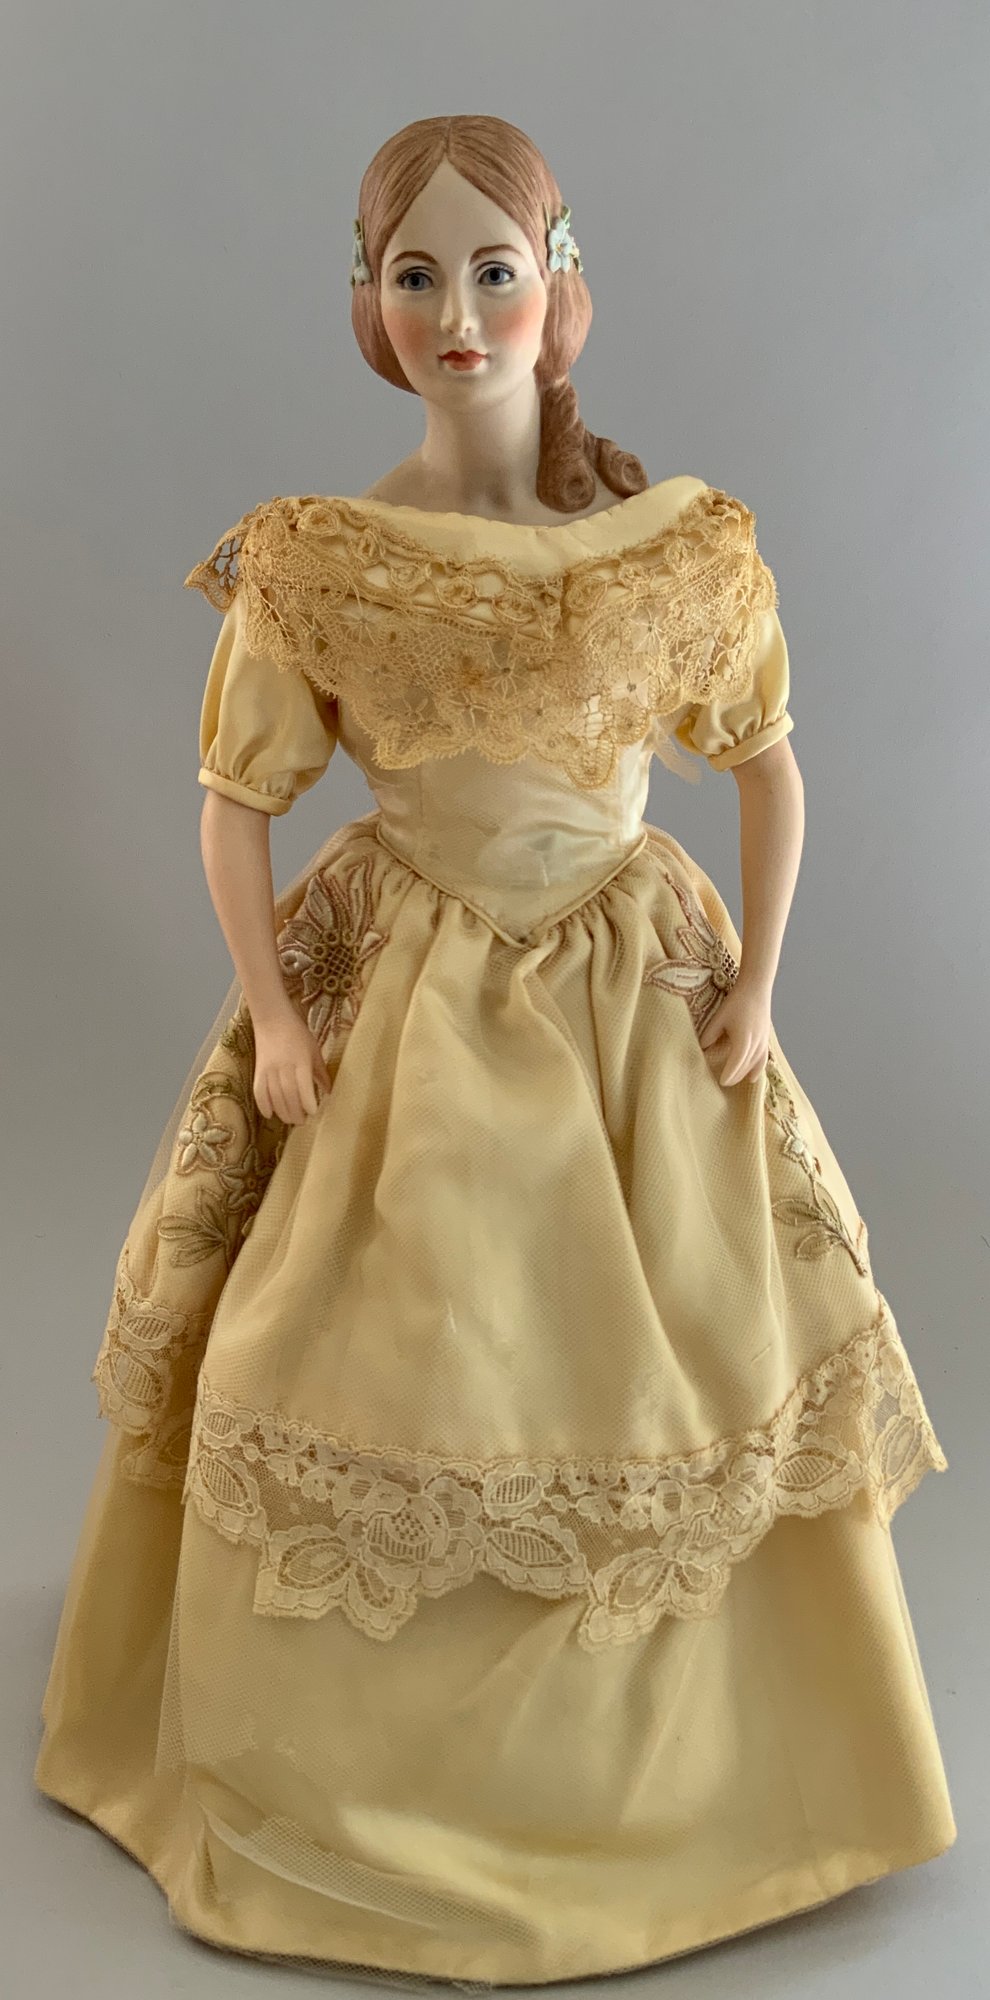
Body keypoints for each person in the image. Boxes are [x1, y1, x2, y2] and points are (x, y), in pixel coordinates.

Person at [33, 114, 956, 1986]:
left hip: (626, 983)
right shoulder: (320, 559)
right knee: (372, 1330)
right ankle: (364, 1757)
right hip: (412, 997)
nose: (458, 312)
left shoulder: (675, 547)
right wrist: (275, 1014)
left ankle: (707, 1769)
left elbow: (767, 768)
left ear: (558, 287)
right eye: (415, 274)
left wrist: (759, 986)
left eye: (493, 270)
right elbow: (235, 802)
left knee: (677, 1340)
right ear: (367, 303)